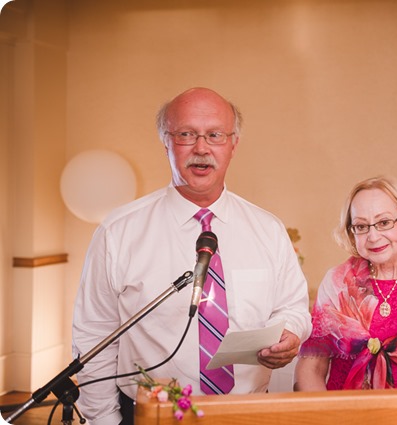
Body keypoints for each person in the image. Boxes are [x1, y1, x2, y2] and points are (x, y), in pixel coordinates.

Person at [72, 87, 312, 425]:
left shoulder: (267, 229)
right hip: (151, 414)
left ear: (233, 143)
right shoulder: (119, 232)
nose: (201, 148)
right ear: (166, 141)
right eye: (186, 135)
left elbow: (292, 307)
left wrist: (290, 334)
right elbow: (94, 334)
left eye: (214, 135)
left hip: (248, 414)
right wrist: (104, 421)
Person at [294, 176, 397, 391]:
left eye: (384, 222)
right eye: (361, 226)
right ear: (352, 233)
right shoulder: (337, 283)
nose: (373, 236)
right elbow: (311, 368)